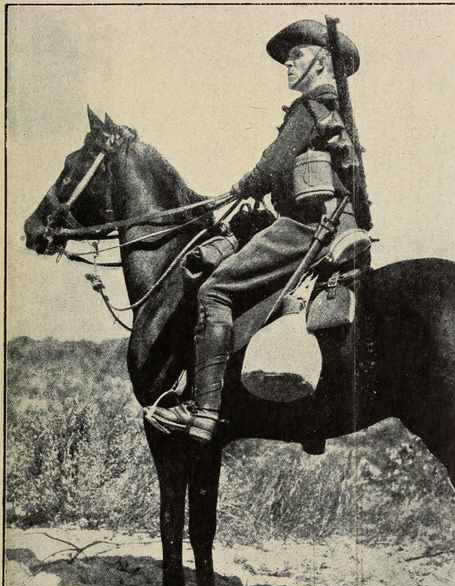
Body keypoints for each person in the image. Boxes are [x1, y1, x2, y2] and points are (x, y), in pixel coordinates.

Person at [144, 19, 361, 442]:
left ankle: (203, 412)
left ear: (321, 61)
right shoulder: (332, 110)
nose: (288, 64)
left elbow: (273, 166)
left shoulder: (310, 108)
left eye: (296, 55)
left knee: (215, 291)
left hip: (306, 227)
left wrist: (240, 188)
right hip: (332, 224)